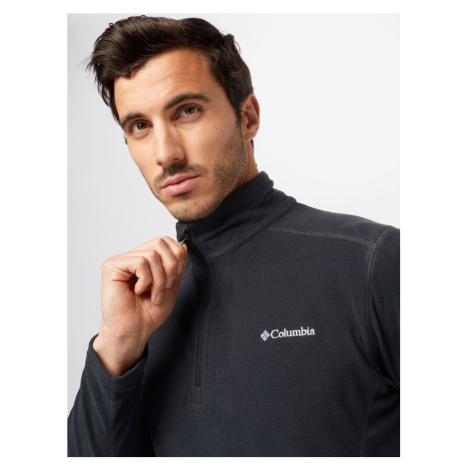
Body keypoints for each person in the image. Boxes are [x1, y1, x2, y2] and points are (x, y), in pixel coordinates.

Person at [68, 15, 399, 457]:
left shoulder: (374, 261)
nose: (166, 154)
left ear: (248, 117)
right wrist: (117, 346)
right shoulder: (141, 305)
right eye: (139, 126)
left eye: (187, 110)